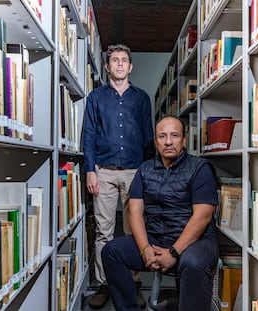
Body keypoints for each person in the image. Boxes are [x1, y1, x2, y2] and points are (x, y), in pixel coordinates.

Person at [102, 116, 220, 311]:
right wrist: (144, 248)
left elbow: (203, 217)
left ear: (184, 139)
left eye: (174, 136)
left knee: (192, 261)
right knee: (111, 251)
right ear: (155, 141)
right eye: (162, 136)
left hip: (195, 241)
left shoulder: (200, 169)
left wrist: (174, 252)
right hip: (156, 237)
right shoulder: (144, 169)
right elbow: (135, 212)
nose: (168, 141)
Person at [82, 44, 155, 309]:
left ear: (130, 66)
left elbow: (148, 135)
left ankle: (133, 282)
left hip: (135, 171)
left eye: (124, 60)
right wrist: (90, 169)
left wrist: (148, 173)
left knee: (134, 229)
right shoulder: (96, 97)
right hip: (103, 171)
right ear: (108, 66)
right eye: (115, 60)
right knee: (104, 231)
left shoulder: (142, 98)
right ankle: (104, 283)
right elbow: (88, 134)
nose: (120, 64)